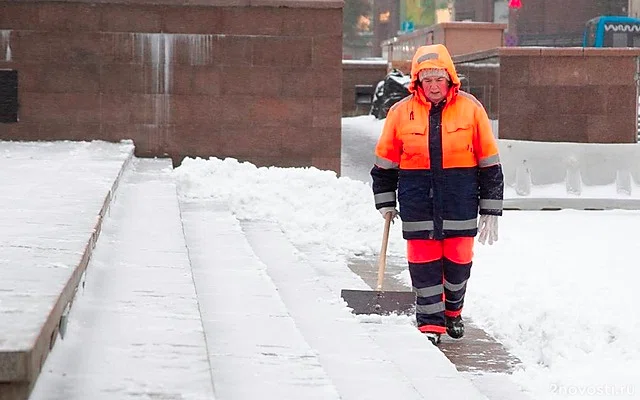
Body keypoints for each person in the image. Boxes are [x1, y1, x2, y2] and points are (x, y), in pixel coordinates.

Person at [370, 44, 504, 346]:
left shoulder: (471, 109)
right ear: (417, 81)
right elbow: (385, 164)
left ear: (450, 80)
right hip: (418, 202)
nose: (433, 86)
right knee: (424, 266)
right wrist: (386, 201)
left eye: (439, 79)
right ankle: (431, 323)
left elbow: (490, 163)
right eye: (427, 80)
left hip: (461, 201)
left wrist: (491, 209)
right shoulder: (400, 112)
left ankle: (453, 311)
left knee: (458, 266)